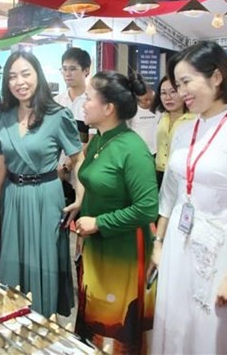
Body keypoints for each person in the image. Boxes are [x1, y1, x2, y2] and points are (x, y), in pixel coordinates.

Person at [151, 41, 227, 355]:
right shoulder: (184, 130)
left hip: (218, 250)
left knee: (208, 334)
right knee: (174, 325)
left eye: (186, 82)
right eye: (177, 84)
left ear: (216, 77)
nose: (180, 92)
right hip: (178, 241)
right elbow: (170, 194)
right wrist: (159, 243)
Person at [0, 51, 83, 317]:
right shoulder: (2, 118)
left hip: (46, 196)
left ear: (38, 75)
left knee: (44, 261)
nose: (20, 82)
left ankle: (43, 323)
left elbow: (78, 157)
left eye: (26, 74)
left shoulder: (58, 115)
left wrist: (81, 197)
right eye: (13, 76)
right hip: (12, 196)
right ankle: (14, 323)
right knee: (12, 262)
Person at [73, 71, 158, 354]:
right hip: (96, 244)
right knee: (95, 311)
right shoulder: (99, 140)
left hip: (123, 249)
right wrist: (81, 207)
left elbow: (147, 208)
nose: (83, 104)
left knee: (116, 321)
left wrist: (99, 222)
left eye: (88, 98)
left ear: (108, 108)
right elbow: (98, 183)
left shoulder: (132, 149)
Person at [54, 47, 91, 206]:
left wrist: (67, 167)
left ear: (86, 71)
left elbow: (92, 140)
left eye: (73, 69)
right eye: (64, 69)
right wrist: (58, 168)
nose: (67, 73)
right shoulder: (56, 102)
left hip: (82, 173)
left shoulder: (92, 101)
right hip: (56, 173)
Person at [151, 76, 195, 187]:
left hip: (182, 175)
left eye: (173, 92)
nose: (168, 97)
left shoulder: (194, 120)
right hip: (160, 173)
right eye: (163, 93)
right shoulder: (162, 117)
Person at [128, 80, 160, 155]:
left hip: (157, 151)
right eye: (145, 100)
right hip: (139, 151)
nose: (148, 102)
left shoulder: (160, 104)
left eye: (150, 99)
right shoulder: (132, 109)